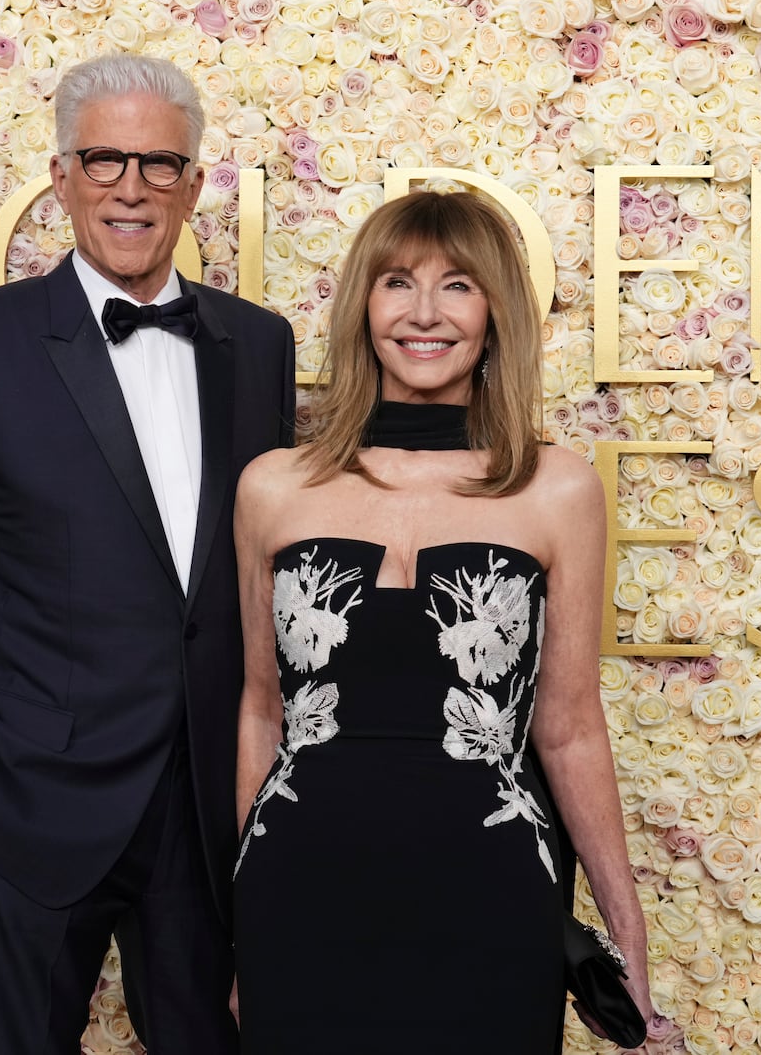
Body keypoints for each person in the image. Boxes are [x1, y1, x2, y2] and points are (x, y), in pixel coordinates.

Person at [0, 54, 294, 1054]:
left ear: (193, 183)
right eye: (104, 159)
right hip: (35, 805)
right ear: (60, 176)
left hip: (207, 812)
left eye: (157, 163)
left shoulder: (257, 346)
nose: (130, 187)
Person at [230, 189, 654, 1053]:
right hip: (302, 890)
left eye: (458, 285)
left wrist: (627, 926)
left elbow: (569, 727)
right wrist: (242, 926)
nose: (424, 313)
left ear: (496, 312)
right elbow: (261, 710)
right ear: (364, 306)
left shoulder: (558, 487)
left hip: (492, 891)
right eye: (397, 282)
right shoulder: (272, 486)